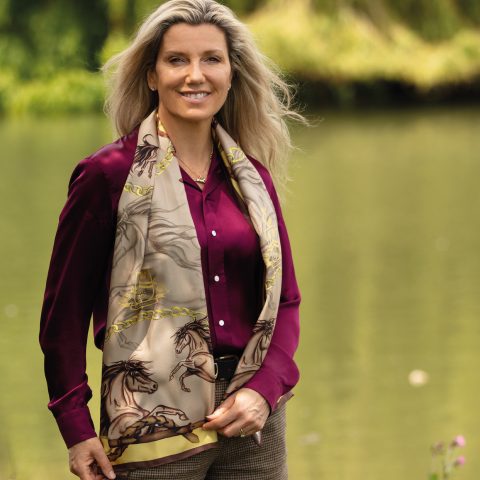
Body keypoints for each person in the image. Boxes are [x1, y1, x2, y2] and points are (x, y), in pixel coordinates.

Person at [39, 0, 303, 479]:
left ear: (231, 74)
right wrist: (76, 427)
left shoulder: (252, 178)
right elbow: (64, 317)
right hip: (149, 426)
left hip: (252, 422)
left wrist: (265, 390)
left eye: (211, 59)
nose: (195, 75)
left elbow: (285, 300)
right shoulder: (107, 175)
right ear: (152, 75)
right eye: (177, 60)